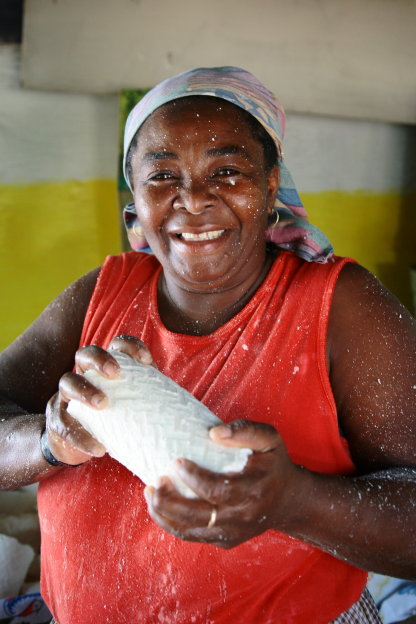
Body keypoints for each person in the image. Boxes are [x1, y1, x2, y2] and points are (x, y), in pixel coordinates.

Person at [0, 66, 415, 624]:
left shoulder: (341, 306)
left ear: (271, 187)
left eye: (226, 171)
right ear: (135, 201)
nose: (192, 199)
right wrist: (50, 440)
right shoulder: (100, 295)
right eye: (162, 176)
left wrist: (293, 502)